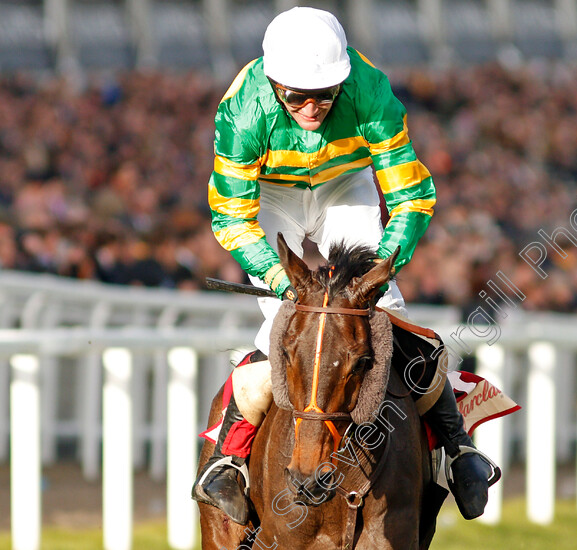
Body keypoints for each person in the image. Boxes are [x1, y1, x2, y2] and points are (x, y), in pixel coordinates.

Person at [192, 7, 497, 525]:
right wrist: (277, 276)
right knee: (283, 326)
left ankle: (459, 448)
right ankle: (230, 458)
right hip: (272, 197)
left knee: (388, 314)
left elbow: (412, 195)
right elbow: (232, 216)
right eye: (296, 96)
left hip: (344, 185)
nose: (312, 107)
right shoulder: (242, 112)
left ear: (343, 82)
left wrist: (383, 267)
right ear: (272, 82)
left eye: (325, 94)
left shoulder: (371, 91)